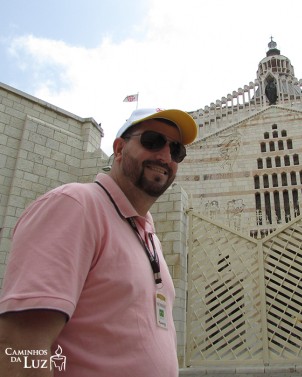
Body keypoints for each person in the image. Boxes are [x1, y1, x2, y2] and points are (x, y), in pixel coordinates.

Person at [0, 108, 198, 377]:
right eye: (152, 141)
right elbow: (20, 345)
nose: (165, 156)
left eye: (177, 151)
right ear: (119, 149)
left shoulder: (147, 233)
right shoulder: (76, 205)